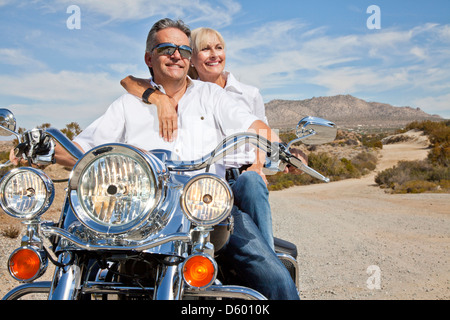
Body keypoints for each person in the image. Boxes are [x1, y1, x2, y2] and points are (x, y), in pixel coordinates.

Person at [11, 18, 299, 300]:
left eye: (184, 50)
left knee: (272, 276)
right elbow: (79, 150)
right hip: (132, 214)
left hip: (204, 210)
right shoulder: (127, 105)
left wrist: (275, 146)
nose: (176, 55)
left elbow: (255, 127)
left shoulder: (211, 96)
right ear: (149, 58)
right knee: (80, 260)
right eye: (166, 49)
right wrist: (41, 147)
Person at [121, 27, 307, 251]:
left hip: (243, 176)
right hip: (203, 180)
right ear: (192, 59)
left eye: (219, 48)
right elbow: (129, 81)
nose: (214, 54)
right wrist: (159, 99)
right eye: (205, 49)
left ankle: (267, 260)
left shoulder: (248, 94)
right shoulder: (183, 90)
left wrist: (263, 164)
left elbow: (261, 131)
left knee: (251, 183)